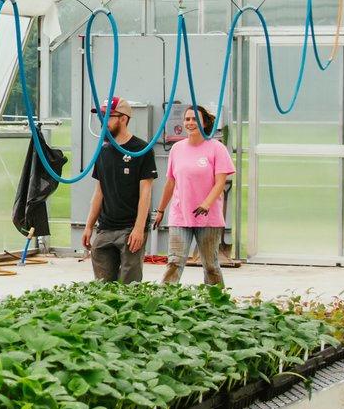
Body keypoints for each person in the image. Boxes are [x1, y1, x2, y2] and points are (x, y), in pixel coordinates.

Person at [152, 104, 234, 287]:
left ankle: (216, 301)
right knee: (174, 261)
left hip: (208, 216)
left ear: (204, 123)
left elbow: (220, 182)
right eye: (187, 119)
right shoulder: (177, 149)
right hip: (180, 214)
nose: (190, 123)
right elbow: (170, 182)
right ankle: (164, 300)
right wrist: (160, 210)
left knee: (210, 264)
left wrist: (206, 204)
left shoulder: (216, 148)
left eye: (195, 119)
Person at [82, 97, 156, 282]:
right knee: (102, 283)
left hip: (130, 228)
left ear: (123, 119)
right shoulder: (103, 151)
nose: (103, 122)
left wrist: (139, 228)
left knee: (130, 285)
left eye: (108, 117)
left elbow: (145, 192)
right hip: (105, 227)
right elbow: (99, 192)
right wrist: (89, 226)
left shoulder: (141, 149)